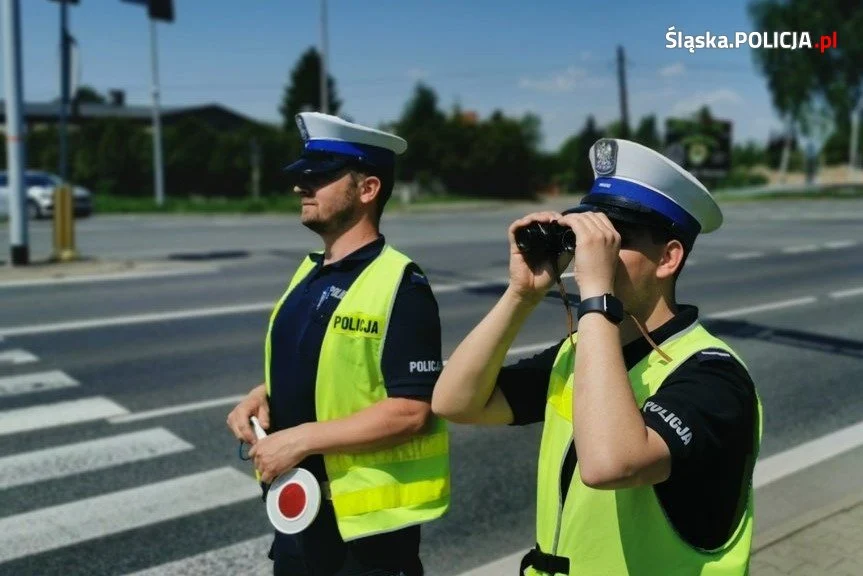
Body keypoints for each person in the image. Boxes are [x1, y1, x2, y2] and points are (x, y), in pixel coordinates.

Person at [431, 138, 763, 575]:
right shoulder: (582, 353)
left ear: (668, 257)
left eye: (613, 240)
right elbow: (456, 402)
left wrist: (597, 299)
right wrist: (522, 295)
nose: (591, 255)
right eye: (586, 237)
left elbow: (611, 464)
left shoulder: (713, 376)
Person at [227, 112, 450, 576]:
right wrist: (261, 395)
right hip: (299, 516)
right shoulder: (311, 270)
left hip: (365, 539)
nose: (301, 187)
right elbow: (325, 367)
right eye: (302, 177)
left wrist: (299, 440)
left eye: (320, 177)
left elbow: (411, 410)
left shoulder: (401, 283)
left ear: (367, 189)